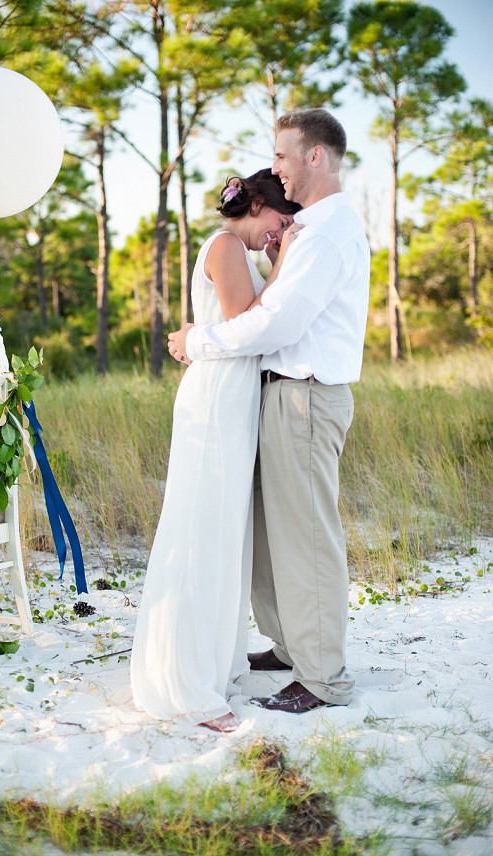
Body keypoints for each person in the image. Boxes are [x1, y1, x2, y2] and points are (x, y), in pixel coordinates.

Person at [168, 108, 370, 714]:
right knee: (267, 535)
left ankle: (323, 676)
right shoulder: (306, 232)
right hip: (275, 393)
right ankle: (287, 645)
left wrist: (195, 343)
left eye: (282, 155)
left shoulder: (328, 233)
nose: (273, 167)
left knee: (306, 539)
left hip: (305, 396)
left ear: (314, 156)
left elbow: (274, 322)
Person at [130, 169, 300, 732]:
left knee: (222, 532)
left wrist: (275, 266)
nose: (278, 233)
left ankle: (208, 664)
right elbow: (247, 321)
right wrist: (281, 267)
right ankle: (184, 681)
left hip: (230, 398)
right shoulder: (227, 245)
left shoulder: (236, 247)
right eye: (279, 221)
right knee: (201, 530)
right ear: (255, 206)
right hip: (214, 399)